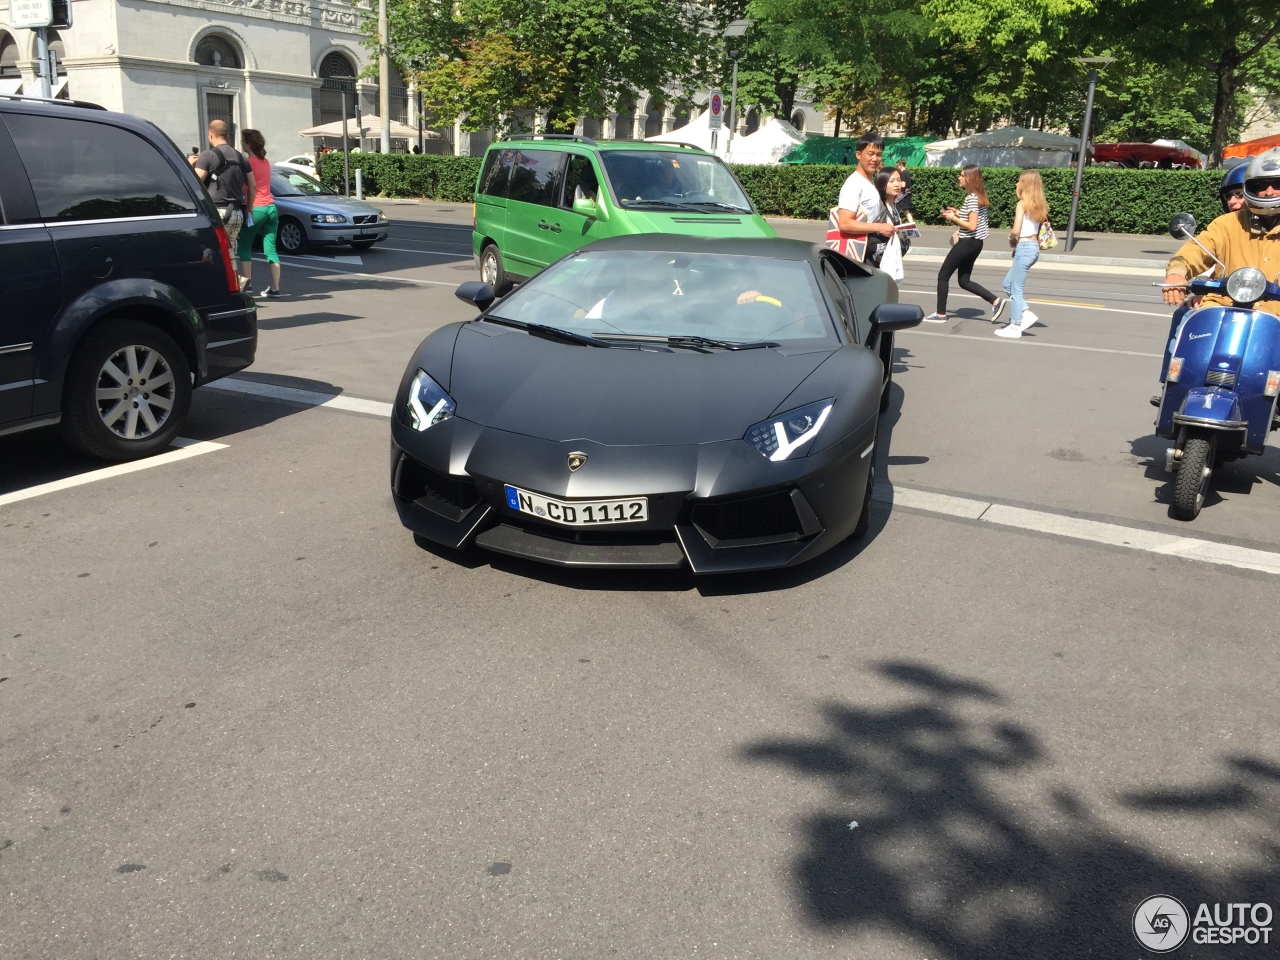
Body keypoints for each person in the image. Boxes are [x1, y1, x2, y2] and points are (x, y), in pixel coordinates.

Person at [1155, 149, 1280, 392]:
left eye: (1277, 185)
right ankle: (1171, 387)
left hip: (1275, 316)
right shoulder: (1227, 224)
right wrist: (1177, 273)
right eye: (1261, 185)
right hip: (1222, 308)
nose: (1269, 192)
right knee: (1185, 319)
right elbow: (1196, 249)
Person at [924, 164, 1003, 322]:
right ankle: (996, 301)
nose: (959, 178)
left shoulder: (972, 198)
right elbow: (974, 219)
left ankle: (940, 314)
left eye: (962, 175)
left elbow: (972, 226)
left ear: (970, 178)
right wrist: (958, 213)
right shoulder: (978, 196)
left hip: (967, 242)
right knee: (964, 281)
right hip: (976, 244)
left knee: (943, 276)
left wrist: (953, 218)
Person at [191, 120, 255, 288]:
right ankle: (233, 285)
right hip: (236, 214)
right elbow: (252, 185)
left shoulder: (208, 155)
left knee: (210, 252)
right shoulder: (240, 156)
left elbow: (195, 181)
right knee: (230, 254)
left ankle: (220, 286)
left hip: (217, 212)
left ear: (210, 134)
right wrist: (249, 209)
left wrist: (190, 165)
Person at [994, 170, 1049, 339]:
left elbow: (1016, 229)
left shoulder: (1022, 204)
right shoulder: (1039, 205)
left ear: (1025, 184)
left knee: (1016, 289)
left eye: (1019, 181)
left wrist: (1011, 237)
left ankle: (1015, 325)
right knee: (1007, 284)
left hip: (1024, 247)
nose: (1016, 184)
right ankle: (1026, 313)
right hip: (1032, 248)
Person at [830, 133, 893, 263]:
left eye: (879, 154)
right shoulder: (854, 184)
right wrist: (879, 227)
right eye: (870, 154)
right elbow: (845, 223)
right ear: (858, 155)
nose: (875, 159)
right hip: (858, 255)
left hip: (870, 251)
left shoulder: (870, 183)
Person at [236, 129, 282, 299]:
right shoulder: (265, 161)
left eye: (243, 141)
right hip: (271, 207)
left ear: (248, 144)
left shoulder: (248, 163)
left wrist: (248, 207)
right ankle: (275, 288)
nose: (241, 143)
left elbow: (249, 186)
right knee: (271, 250)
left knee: (245, 246)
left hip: (256, 208)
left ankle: (247, 285)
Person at [865, 168, 911, 270]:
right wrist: (878, 257)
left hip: (888, 261)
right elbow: (867, 234)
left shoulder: (893, 206)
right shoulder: (877, 207)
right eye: (891, 181)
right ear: (882, 184)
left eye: (899, 180)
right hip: (874, 263)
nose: (896, 184)